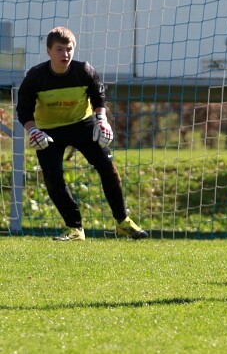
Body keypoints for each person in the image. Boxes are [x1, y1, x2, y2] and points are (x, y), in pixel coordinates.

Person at [16, 27, 148, 241]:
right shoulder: (35, 76)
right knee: (52, 178)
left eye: (69, 49)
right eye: (59, 49)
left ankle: (123, 222)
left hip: (82, 125)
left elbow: (98, 96)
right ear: (49, 51)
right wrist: (33, 130)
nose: (65, 54)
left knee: (107, 167)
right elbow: (23, 110)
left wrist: (102, 120)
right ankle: (75, 229)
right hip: (48, 130)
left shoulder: (84, 70)